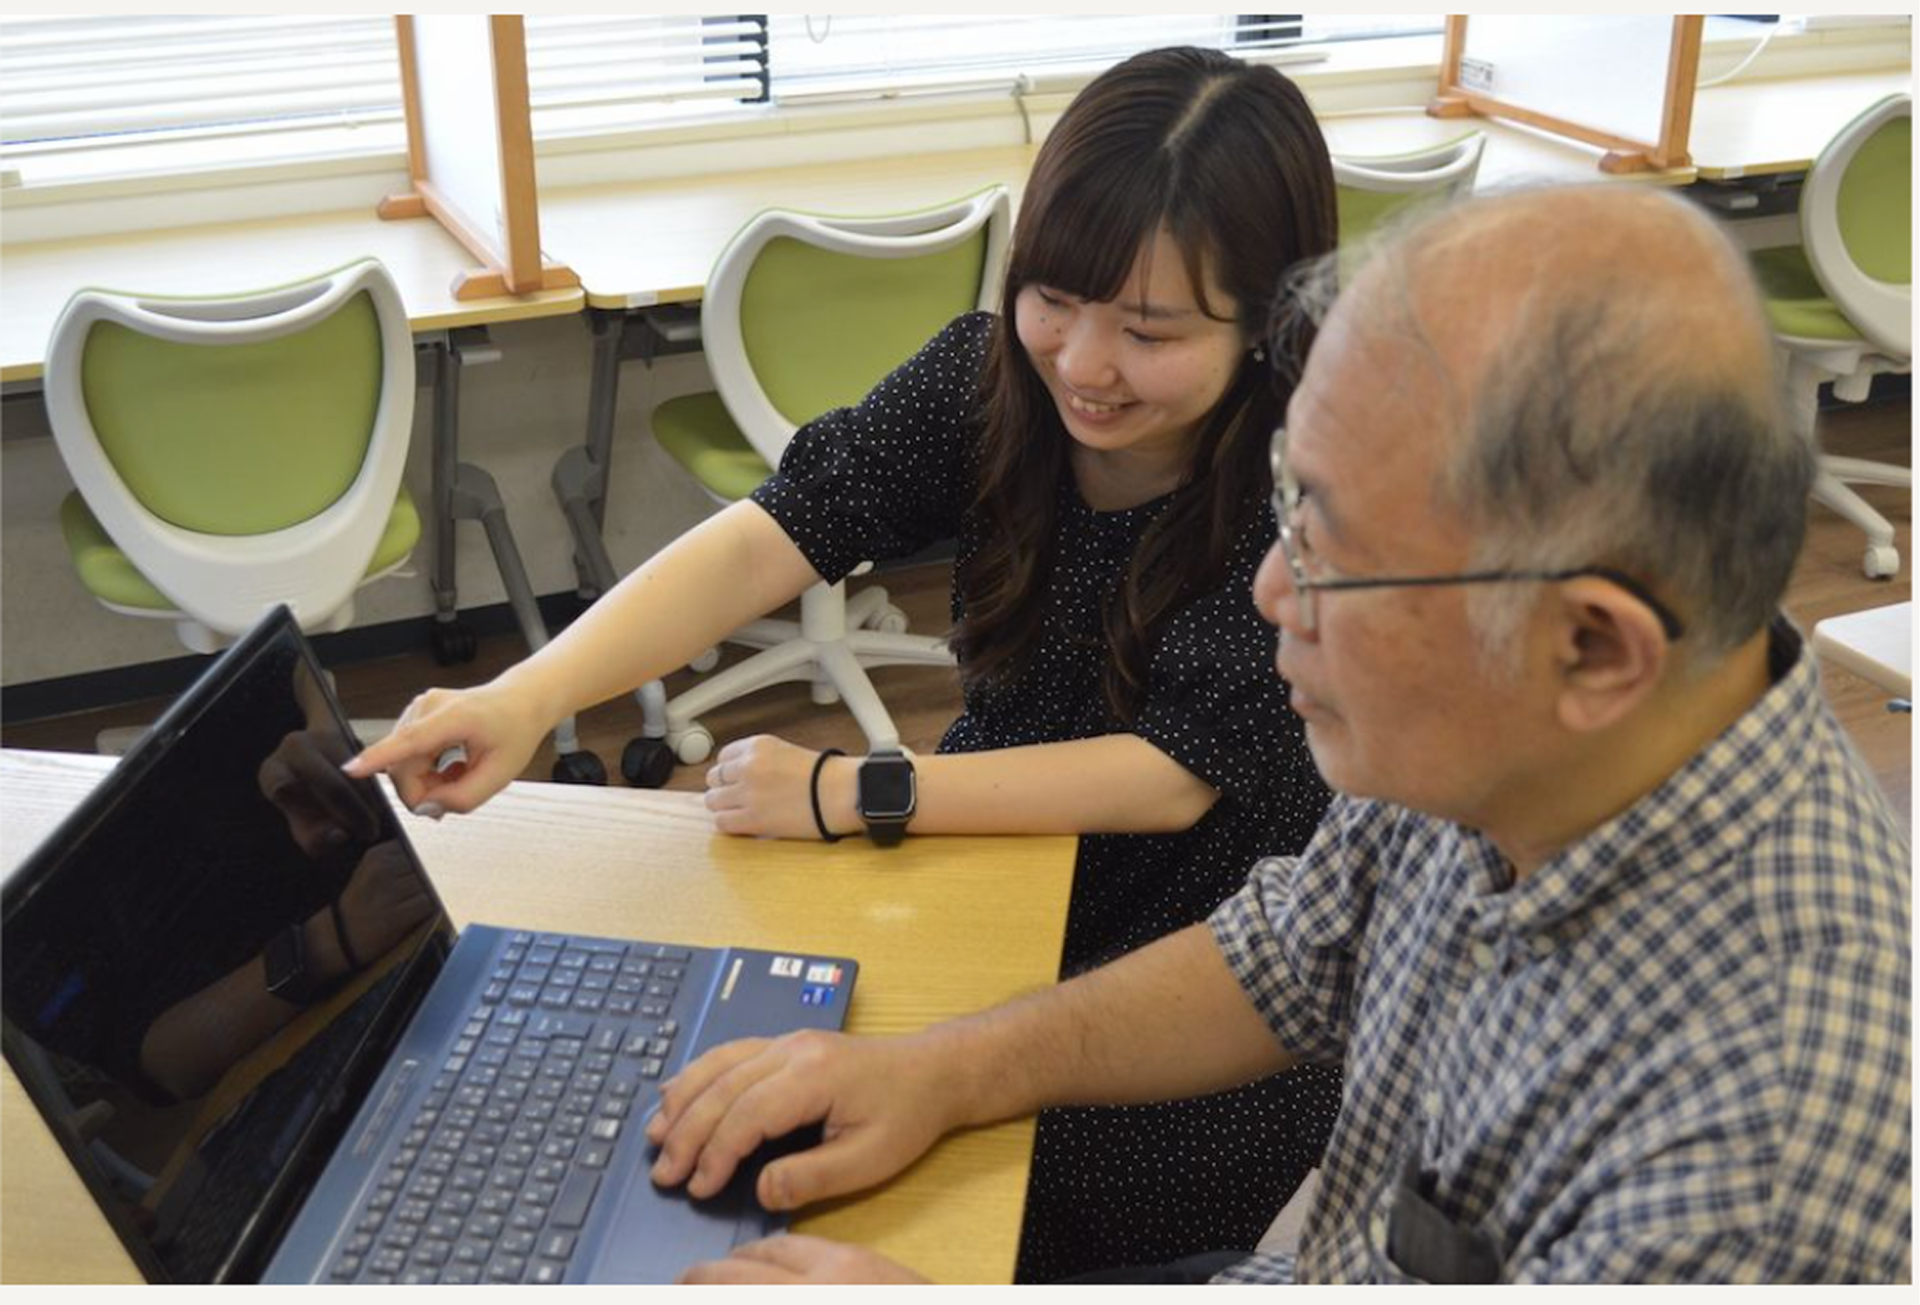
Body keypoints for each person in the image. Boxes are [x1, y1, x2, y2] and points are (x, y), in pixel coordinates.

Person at [640, 185, 1912, 1284]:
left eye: (1335, 556)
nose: (1267, 594)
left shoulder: (1755, 1142)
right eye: (1291, 512)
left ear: (1592, 647)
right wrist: (942, 1071)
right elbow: (1287, 950)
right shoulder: (1494, 742)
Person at [346, 46, 1343, 1280]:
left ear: (1266, 323)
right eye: (1056, 299)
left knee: (935, 1221)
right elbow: (770, 535)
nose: (1083, 363)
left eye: (1148, 330)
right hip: (991, 878)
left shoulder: (1302, 474)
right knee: (758, 1131)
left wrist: (856, 789)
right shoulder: (988, 382)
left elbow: (1173, 776)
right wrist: (531, 692)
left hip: (1184, 979)